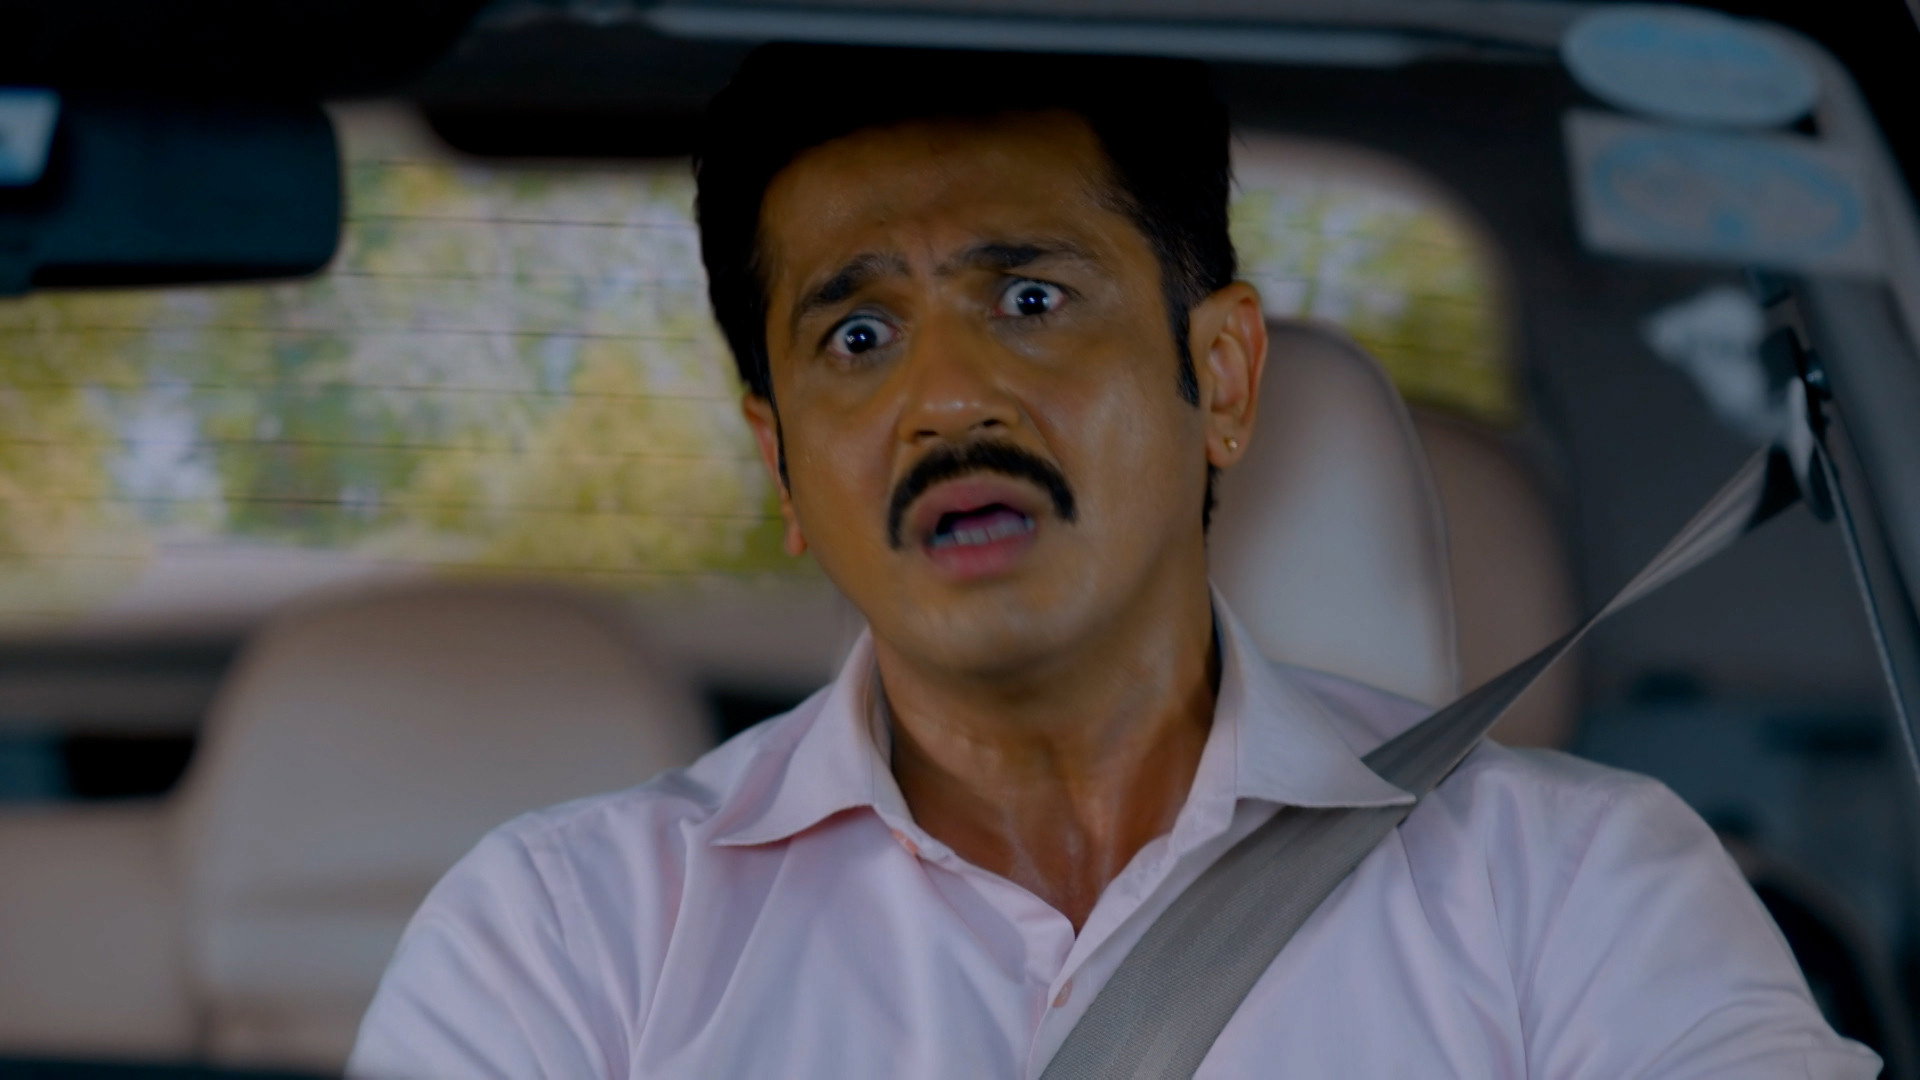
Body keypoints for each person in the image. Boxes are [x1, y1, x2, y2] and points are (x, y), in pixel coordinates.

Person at [348, 45, 1879, 1078]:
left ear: (1220, 379)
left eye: (1030, 300)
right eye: (858, 336)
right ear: (784, 465)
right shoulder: (567, 940)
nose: (947, 398)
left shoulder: (1579, 889)